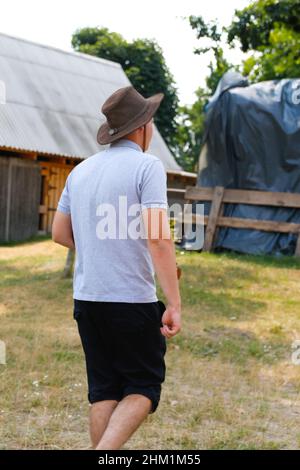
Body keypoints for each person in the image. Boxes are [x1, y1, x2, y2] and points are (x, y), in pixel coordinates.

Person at [52, 85, 181, 450]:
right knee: (143, 385)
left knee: (104, 390)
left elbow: (60, 233)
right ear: (142, 127)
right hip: (130, 301)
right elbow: (158, 238)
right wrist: (174, 303)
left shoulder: (81, 171)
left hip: (87, 300)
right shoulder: (147, 166)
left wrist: (100, 245)